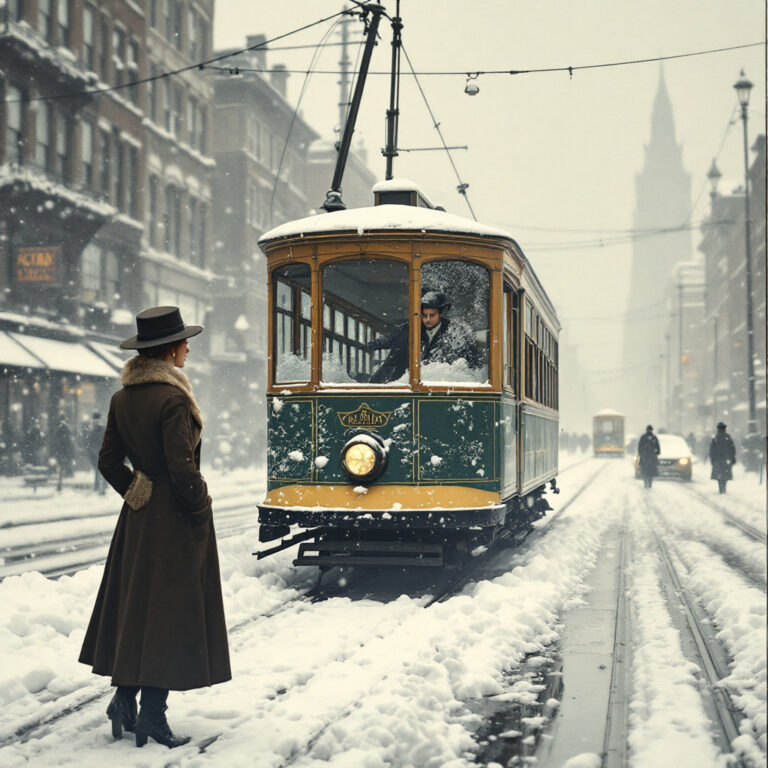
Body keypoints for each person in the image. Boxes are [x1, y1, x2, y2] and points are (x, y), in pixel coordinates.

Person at [79, 306, 231, 749]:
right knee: (169, 614)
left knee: (139, 608)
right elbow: (182, 467)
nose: (188, 348)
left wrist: (136, 490)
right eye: (184, 342)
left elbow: (108, 461)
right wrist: (200, 506)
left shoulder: (122, 398)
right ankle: (153, 717)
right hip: (175, 521)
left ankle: (124, 702)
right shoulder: (173, 399)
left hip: (139, 518)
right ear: (168, 349)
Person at [366, 291, 482, 383]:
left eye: (432, 315)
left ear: (441, 314)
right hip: (402, 381)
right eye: (424, 315)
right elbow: (390, 338)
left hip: (437, 384)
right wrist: (372, 345)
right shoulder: (409, 328)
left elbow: (470, 362)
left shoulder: (456, 332)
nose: (427, 319)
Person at [709, 422, 736, 494]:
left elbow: (712, 450)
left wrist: (712, 459)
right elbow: (732, 448)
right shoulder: (727, 437)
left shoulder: (715, 438)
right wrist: (732, 457)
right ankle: (723, 487)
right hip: (726, 459)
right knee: (725, 474)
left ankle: (721, 488)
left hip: (718, 459)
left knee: (719, 475)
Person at [51, 413, 75, 490]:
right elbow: (70, 442)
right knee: (62, 467)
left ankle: (59, 484)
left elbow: (54, 441)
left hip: (61, 451)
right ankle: (60, 483)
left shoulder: (58, 429)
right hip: (64, 451)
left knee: (60, 467)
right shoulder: (66, 429)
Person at [86, 412, 106, 493]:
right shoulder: (93, 430)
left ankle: (102, 486)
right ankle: (99, 486)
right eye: (94, 420)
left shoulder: (101, 429)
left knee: (101, 470)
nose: (95, 422)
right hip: (95, 453)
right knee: (97, 470)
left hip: (101, 452)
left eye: (97, 420)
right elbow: (90, 442)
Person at [637, 424, 660, 489]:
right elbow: (658, 449)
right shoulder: (654, 438)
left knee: (644, 470)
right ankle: (649, 481)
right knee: (651, 471)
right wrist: (655, 453)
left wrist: (640, 453)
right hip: (652, 457)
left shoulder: (643, 437)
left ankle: (645, 481)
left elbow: (639, 447)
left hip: (644, 457)